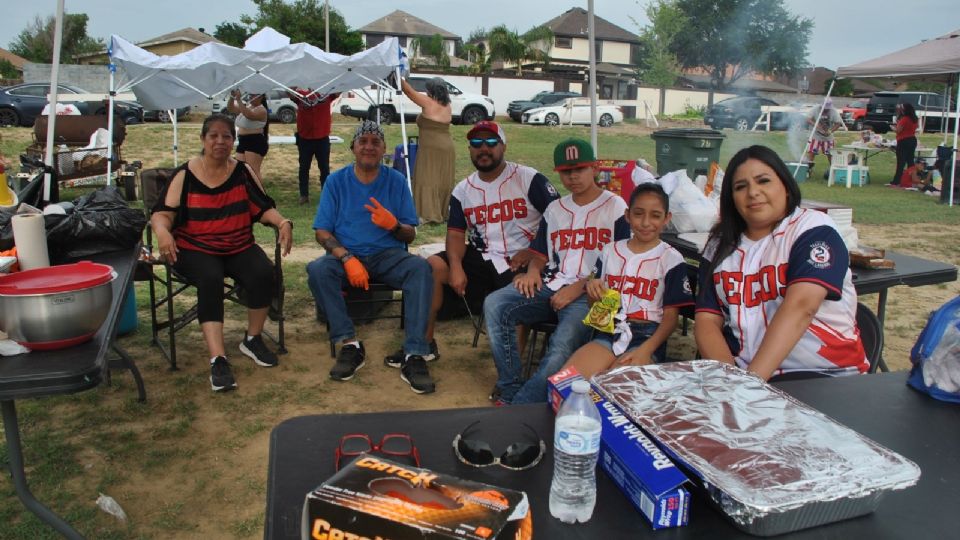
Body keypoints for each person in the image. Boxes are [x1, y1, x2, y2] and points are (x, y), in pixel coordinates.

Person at [694, 145, 867, 381]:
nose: (753, 192)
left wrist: (749, 387)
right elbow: (707, 321)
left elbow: (802, 306)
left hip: (823, 375)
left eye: (763, 181)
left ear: (785, 187)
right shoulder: (718, 246)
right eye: (740, 187)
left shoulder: (814, 229)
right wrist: (729, 382)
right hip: (743, 376)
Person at [151, 114, 293, 392]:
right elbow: (161, 214)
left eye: (226, 136)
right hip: (195, 248)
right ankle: (218, 359)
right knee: (210, 278)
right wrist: (163, 232)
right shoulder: (185, 174)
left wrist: (282, 221)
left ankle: (252, 339)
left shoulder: (243, 172)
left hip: (238, 245)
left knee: (263, 272)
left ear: (233, 141)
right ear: (203, 140)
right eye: (213, 135)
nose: (220, 141)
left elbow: (263, 207)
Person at [400, 121, 558, 371]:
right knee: (433, 266)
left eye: (491, 142)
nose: (483, 148)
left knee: (518, 293)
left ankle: (511, 373)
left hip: (525, 257)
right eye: (476, 143)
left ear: (503, 146)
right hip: (484, 256)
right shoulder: (464, 189)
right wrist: (455, 266)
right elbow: (455, 233)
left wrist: (534, 251)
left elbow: (559, 218)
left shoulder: (528, 178)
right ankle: (423, 345)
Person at [486, 138, 629, 405]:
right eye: (566, 172)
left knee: (560, 347)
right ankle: (510, 387)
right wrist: (533, 271)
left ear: (595, 168)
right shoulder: (555, 209)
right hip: (551, 285)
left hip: (593, 295)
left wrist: (580, 287)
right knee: (495, 304)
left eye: (580, 169)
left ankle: (520, 406)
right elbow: (541, 253)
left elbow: (622, 261)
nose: (573, 176)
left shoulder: (616, 207)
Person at [305, 120, 436, 394]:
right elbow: (322, 231)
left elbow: (410, 235)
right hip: (347, 254)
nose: (368, 147)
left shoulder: (397, 181)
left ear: (384, 149)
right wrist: (345, 257)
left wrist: (394, 226)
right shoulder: (336, 181)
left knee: (420, 269)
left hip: (387, 255)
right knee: (318, 270)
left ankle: (414, 353)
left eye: (375, 142)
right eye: (363, 141)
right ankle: (350, 344)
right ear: (353, 147)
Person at [563, 183, 693, 380]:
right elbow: (596, 309)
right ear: (627, 215)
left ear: (667, 218)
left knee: (611, 388)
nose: (646, 222)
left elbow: (670, 319)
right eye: (638, 213)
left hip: (648, 336)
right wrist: (592, 294)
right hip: (609, 330)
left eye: (655, 215)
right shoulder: (609, 251)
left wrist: (646, 351)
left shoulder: (671, 259)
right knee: (567, 382)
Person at [401, 77, 455, 224]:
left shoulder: (428, 102)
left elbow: (408, 91)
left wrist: (398, 77)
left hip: (431, 147)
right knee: (441, 178)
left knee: (427, 176)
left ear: (431, 90)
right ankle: (442, 211)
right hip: (447, 146)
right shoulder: (448, 105)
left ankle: (427, 213)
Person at [288, 87, 338, 205]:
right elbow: (290, 92)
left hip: (322, 137)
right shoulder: (300, 95)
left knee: (324, 168)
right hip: (305, 138)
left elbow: (339, 89)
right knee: (304, 168)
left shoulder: (326, 94)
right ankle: (304, 195)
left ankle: (326, 194)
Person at [228, 90, 269, 180]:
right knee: (240, 170)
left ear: (261, 97)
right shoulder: (248, 106)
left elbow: (248, 115)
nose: (251, 96)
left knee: (253, 171)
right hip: (243, 141)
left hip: (255, 142)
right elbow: (231, 108)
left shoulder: (262, 110)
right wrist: (232, 97)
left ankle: (259, 193)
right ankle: (247, 192)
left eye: (253, 94)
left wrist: (238, 99)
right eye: (250, 94)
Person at [805, 99, 843, 181]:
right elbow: (808, 119)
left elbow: (838, 123)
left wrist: (830, 131)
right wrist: (816, 125)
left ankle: (833, 171)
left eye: (827, 109)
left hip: (828, 137)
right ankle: (808, 170)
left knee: (830, 154)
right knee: (811, 152)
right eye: (824, 108)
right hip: (815, 135)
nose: (825, 110)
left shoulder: (833, 111)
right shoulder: (815, 109)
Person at [890, 103, 919, 186]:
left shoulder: (905, 119)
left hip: (903, 140)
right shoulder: (914, 119)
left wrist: (893, 128)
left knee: (901, 162)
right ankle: (912, 179)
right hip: (912, 139)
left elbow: (898, 130)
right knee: (910, 160)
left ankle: (897, 180)